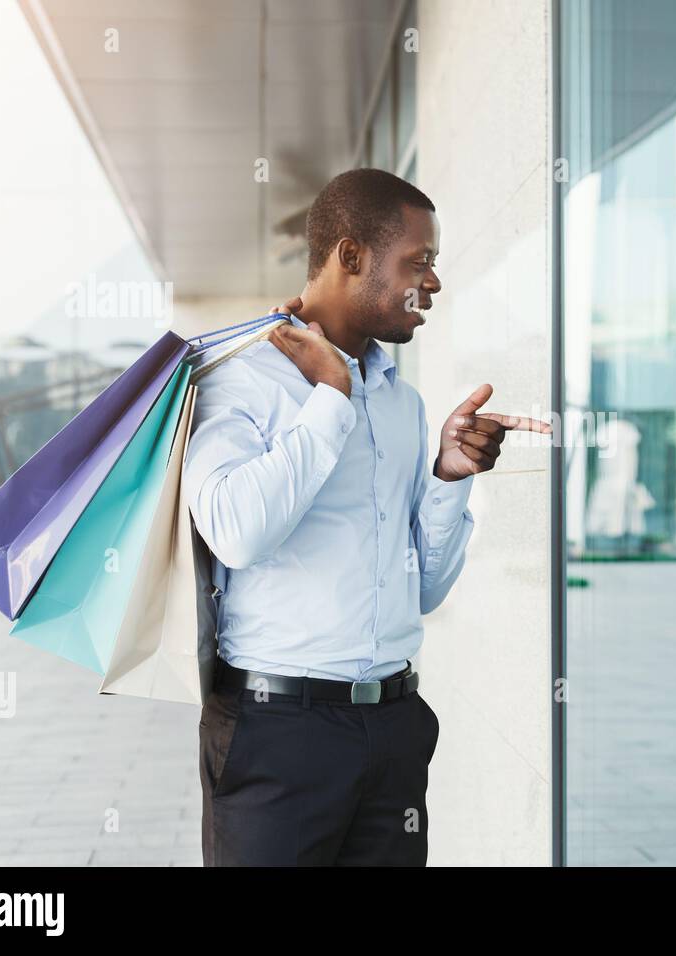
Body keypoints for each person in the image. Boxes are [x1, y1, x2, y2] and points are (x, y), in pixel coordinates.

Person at [183, 168, 551, 866]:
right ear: (351, 256)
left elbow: (424, 592)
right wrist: (331, 396)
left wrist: (447, 477)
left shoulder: (400, 404)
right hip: (276, 737)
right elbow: (234, 531)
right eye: (420, 263)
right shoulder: (238, 379)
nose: (434, 284)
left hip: (393, 733)